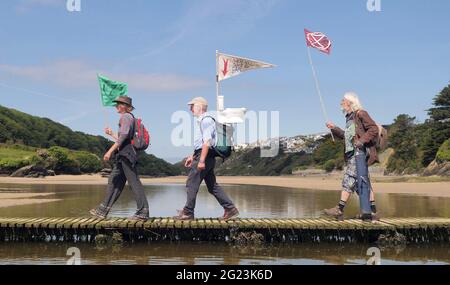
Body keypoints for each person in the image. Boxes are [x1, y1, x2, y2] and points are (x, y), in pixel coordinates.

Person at [174, 97, 239, 221]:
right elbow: (201, 142)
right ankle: (230, 208)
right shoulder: (205, 119)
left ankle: (188, 212)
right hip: (205, 155)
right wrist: (192, 156)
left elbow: (207, 141)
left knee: (191, 183)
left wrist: (201, 160)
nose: (190, 109)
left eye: (192, 106)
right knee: (212, 186)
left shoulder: (206, 120)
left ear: (199, 106)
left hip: (205, 156)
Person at [90, 96, 149, 221]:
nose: (116, 106)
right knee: (114, 181)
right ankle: (103, 210)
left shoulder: (126, 117)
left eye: (119, 104)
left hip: (126, 154)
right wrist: (111, 133)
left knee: (134, 183)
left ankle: (143, 212)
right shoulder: (129, 117)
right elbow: (124, 138)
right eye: (117, 104)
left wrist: (109, 151)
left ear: (125, 106)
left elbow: (123, 138)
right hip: (124, 154)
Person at [323, 92, 379, 221]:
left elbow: (373, 129)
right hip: (351, 154)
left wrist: (361, 141)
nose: (341, 102)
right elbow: (346, 137)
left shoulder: (361, 113)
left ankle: (339, 209)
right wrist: (334, 128)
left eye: (343, 100)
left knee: (348, 179)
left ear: (350, 102)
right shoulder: (349, 118)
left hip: (359, 153)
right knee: (363, 183)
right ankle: (373, 212)